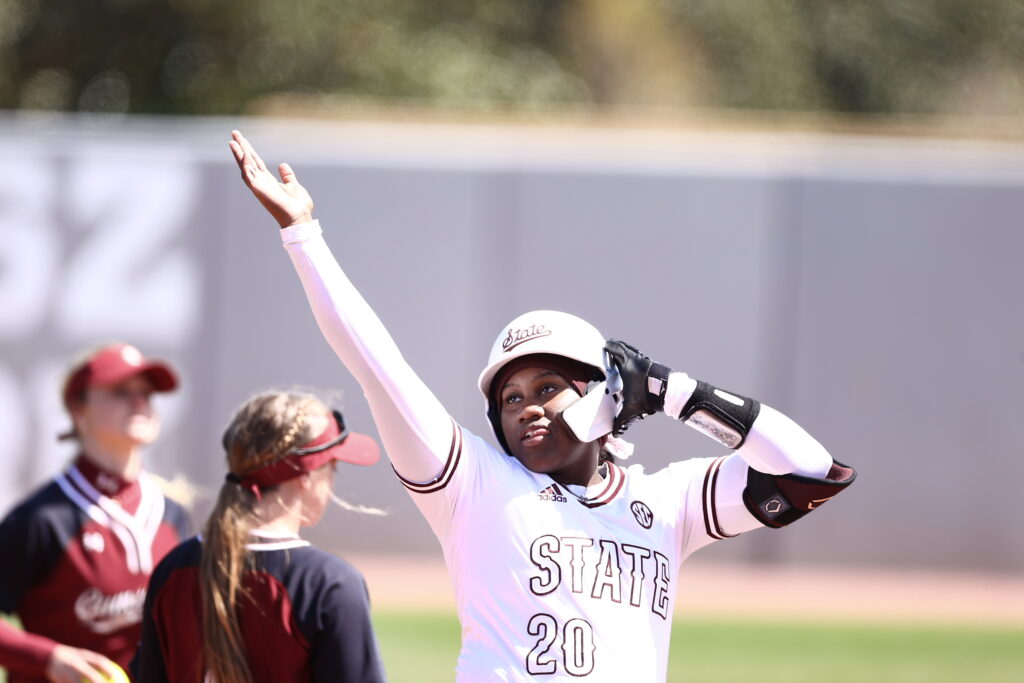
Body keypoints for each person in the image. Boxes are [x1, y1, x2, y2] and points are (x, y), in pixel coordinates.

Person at [228, 130, 857, 682]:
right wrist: (302, 235)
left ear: (606, 392)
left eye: (548, 387)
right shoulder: (473, 486)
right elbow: (376, 367)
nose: (526, 407)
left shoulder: (666, 504)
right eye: (510, 398)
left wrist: (675, 391)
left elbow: (808, 470)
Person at [131, 390, 388, 683]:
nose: (331, 484)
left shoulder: (172, 568)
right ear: (305, 475)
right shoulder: (330, 584)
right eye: (332, 470)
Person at [0, 344, 192, 683]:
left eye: (146, 393)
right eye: (121, 391)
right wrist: (47, 658)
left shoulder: (171, 515)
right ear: (78, 411)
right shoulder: (42, 519)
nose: (139, 402)